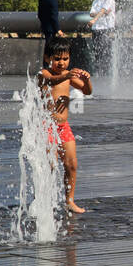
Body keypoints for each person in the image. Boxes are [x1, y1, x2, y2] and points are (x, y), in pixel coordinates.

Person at [38, 39, 93, 214]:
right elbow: (52, 81)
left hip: (63, 126)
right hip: (46, 125)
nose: (61, 62)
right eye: (57, 58)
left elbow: (87, 91)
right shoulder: (44, 74)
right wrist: (68, 76)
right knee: (51, 164)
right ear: (47, 58)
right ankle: (42, 199)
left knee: (71, 164)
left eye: (65, 58)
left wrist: (87, 80)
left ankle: (69, 201)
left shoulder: (68, 76)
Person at [88, 0, 116, 73]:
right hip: (96, 29)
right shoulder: (96, 0)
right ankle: (99, 72)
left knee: (105, 52)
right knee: (97, 52)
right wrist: (99, 13)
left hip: (106, 28)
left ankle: (106, 72)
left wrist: (94, 19)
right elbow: (91, 13)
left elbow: (103, 11)